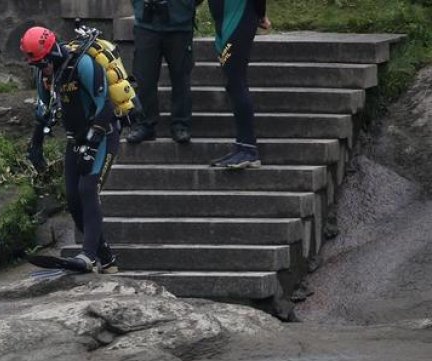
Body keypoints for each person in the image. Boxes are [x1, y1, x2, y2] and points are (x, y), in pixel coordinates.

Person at [22, 26, 120, 273]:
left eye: (42, 63)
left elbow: (105, 106)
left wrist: (92, 146)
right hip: (74, 138)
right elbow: (43, 110)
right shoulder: (46, 75)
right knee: (73, 200)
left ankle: (88, 256)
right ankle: (105, 256)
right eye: (36, 65)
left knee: (88, 189)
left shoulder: (84, 64)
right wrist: (36, 145)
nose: (41, 68)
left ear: (53, 52)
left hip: (103, 133)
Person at [127, 0, 202, 145]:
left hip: (179, 23)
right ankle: (144, 124)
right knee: (143, 78)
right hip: (146, 23)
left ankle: (181, 125)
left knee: (181, 78)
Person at [208, 0, 270, 168]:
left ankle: (248, 149)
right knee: (232, 84)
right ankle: (243, 146)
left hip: (238, 19)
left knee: (236, 82)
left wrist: (261, 13)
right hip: (224, 23)